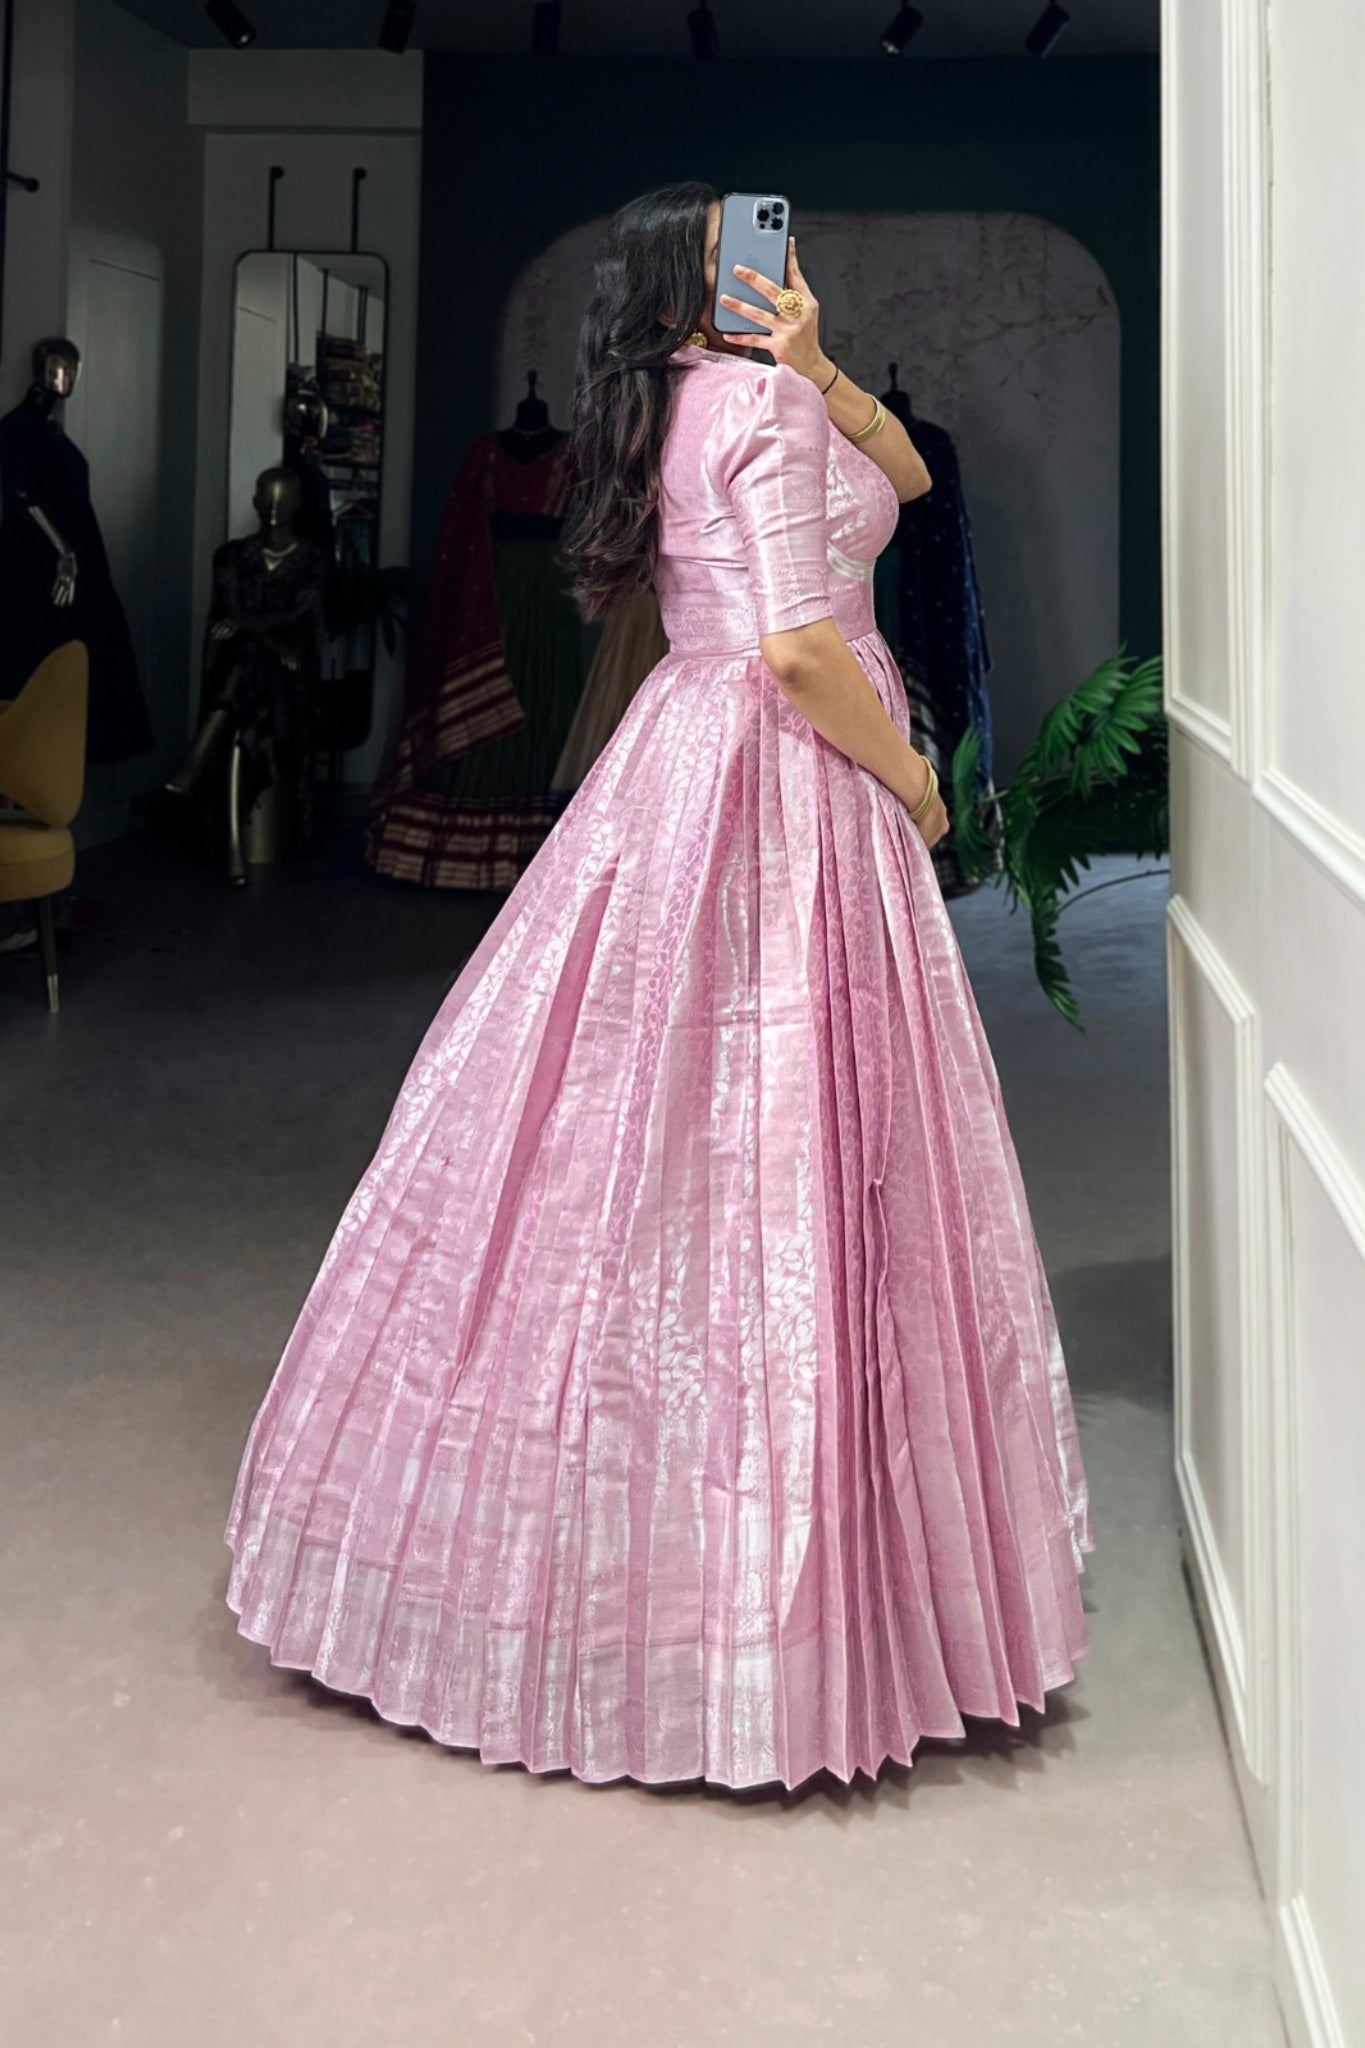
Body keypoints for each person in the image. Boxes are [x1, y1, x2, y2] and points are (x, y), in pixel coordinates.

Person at [224, 182, 1092, 1792]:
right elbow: (799, 653)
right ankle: (770, 1593)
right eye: (745, 252)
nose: (780, 263)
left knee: (636, 1113)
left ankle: (595, 1539)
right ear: (693, 287)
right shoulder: (750, 404)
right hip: (791, 768)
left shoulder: (696, 398)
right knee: (782, 1119)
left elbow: (901, 483)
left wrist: (821, 366)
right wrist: (915, 784)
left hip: (687, 758)